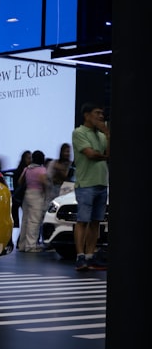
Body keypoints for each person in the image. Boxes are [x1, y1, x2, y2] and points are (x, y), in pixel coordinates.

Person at [71, 103, 109, 271]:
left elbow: (111, 153)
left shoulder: (102, 135)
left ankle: (90, 256)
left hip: (102, 183)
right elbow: (90, 154)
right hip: (86, 184)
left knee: (95, 222)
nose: (101, 116)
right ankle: (80, 257)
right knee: (82, 221)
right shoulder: (79, 132)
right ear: (86, 115)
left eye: (102, 113)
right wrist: (105, 156)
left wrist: (107, 134)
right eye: (97, 113)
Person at [16, 150, 50, 252]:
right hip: (37, 195)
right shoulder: (42, 170)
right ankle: (31, 246)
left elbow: (20, 181)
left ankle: (22, 245)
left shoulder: (27, 168)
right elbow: (45, 183)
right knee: (34, 221)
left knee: (25, 221)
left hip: (27, 195)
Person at [10, 149, 31, 228]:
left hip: (22, 198)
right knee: (16, 220)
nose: (30, 160)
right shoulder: (19, 172)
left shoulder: (27, 171)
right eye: (28, 158)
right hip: (20, 198)